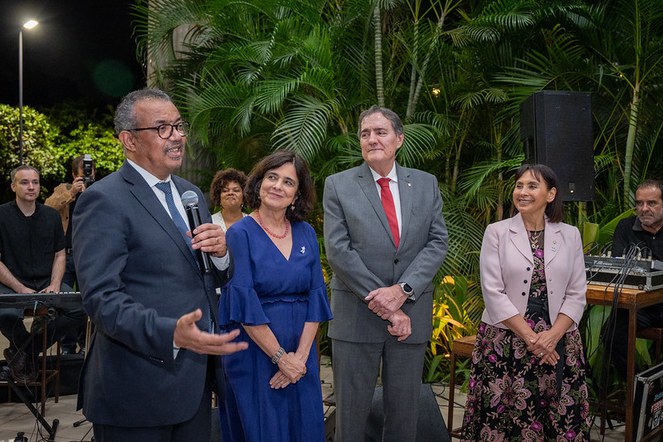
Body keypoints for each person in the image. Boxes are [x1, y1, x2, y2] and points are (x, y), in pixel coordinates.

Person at [72, 88, 247, 442]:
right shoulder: (103, 200)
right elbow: (101, 300)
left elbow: (209, 276)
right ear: (129, 140)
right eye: (163, 128)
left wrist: (221, 254)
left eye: (179, 126)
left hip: (193, 386)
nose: (177, 136)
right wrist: (169, 332)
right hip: (136, 391)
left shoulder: (190, 193)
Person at [323, 105, 448, 442]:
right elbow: (338, 251)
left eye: (380, 132)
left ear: (399, 139)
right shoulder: (338, 186)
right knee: (350, 415)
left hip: (411, 316)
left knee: (404, 415)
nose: (371, 139)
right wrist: (386, 302)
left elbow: (437, 242)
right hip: (356, 317)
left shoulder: (425, 184)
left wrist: (402, 291)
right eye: (365, 133)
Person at [460, 164, 590, 441]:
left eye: (532, 186)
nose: (523, 191)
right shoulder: (496, 232)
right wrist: (534, 340)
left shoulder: (570, 235)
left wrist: (552, 337)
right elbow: (493, 292)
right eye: (519, 185)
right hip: (506, 340)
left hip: (559, 339)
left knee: (557, 416)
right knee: (505, 418)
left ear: (551, 194)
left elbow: (577, 293)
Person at [218, 150, 333, 441]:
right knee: (263, 430)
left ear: (296, 195)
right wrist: (281, 358)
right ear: (259, 184)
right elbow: (243, 304)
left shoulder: (306, 233)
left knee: (303, 428)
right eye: (272, 177)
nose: (278, 186)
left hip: (301, 353)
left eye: (288, 182)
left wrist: (301, 359)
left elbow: (316, 298)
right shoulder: (239, 233)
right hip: (255, 353)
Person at [0, 165, 83, 382]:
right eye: (25, 182)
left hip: (47, 281)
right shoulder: (1, 215)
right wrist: (20, 289)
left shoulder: (50, 216)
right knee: (5, 314)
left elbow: (59, 255)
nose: (31, 187)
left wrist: (56, 284)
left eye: (35, 182)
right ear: (13, 186)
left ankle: (25, 352)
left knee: (79, 308)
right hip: (12, 283)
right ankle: (26, 351)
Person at [607, 179, 663, 377]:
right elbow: (618, 265)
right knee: (612, 335)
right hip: (638, 307)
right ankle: (640, 389)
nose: (644, 208)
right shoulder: (626, 227)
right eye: (639, 203)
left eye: (652, 203)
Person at [45, 154, 96, 354]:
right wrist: (72, 193)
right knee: (66, 304)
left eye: (90, 171)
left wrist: (89, 191)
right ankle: (66, 347)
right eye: (83, 172)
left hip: (89, 255)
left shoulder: (100, 191)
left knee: (87, 301)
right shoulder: (63, 190)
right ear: (74, 174)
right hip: (64, 256)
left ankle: (86, 345)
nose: (87, 175)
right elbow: (48, 207)